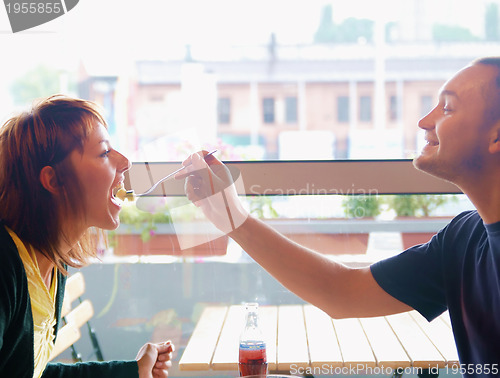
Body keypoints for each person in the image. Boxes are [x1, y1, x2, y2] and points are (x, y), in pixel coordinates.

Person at [178, 56, 500, 371]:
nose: (424, 121)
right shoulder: (463, 240)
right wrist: (232, 218)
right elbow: (341, 292)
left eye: (447, 108)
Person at [0, 95, 174, 378]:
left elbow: (30, 370)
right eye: (104, 153)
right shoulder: (5, 265)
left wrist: (133, 372)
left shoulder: (50, 265)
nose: (125, 162)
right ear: (54, 180)